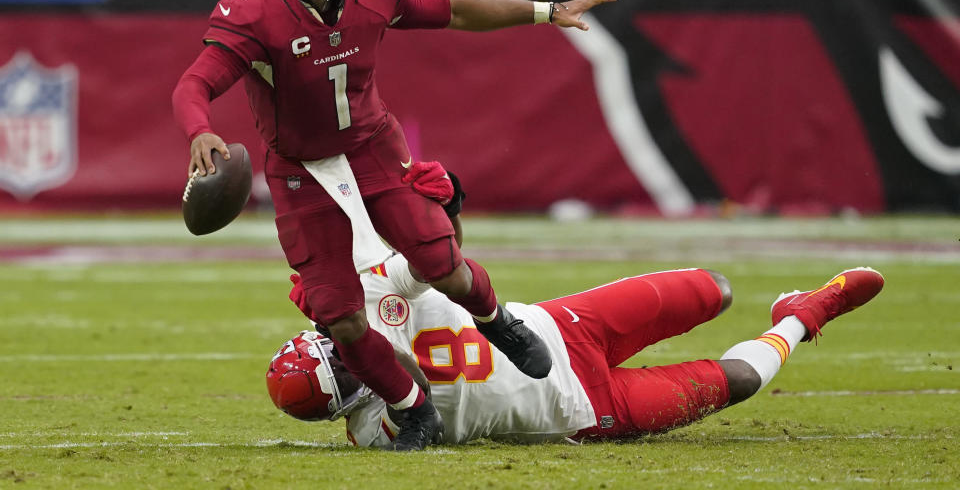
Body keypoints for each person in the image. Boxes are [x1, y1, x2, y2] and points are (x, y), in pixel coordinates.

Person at [171, 0, 617, 451]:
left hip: (371, 147)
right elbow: (194, 83)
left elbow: (452, 11)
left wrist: (545, 10)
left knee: (440, 262)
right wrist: (200, 131)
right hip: (300, 169)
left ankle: (496, 320)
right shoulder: (253, 13)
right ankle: (414, 410)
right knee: (341, 316)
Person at [271, 254, 884, 446]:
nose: (353, 359)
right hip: (584, 407)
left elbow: (431, 260)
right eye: (347, 375)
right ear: (342, 407)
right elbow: (406, 381)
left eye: (337, 349)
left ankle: (788, 305)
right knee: (740, 380)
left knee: (713, 290)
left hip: (563, 327)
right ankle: (803, 315)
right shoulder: (377, 429)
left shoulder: (365, 298)